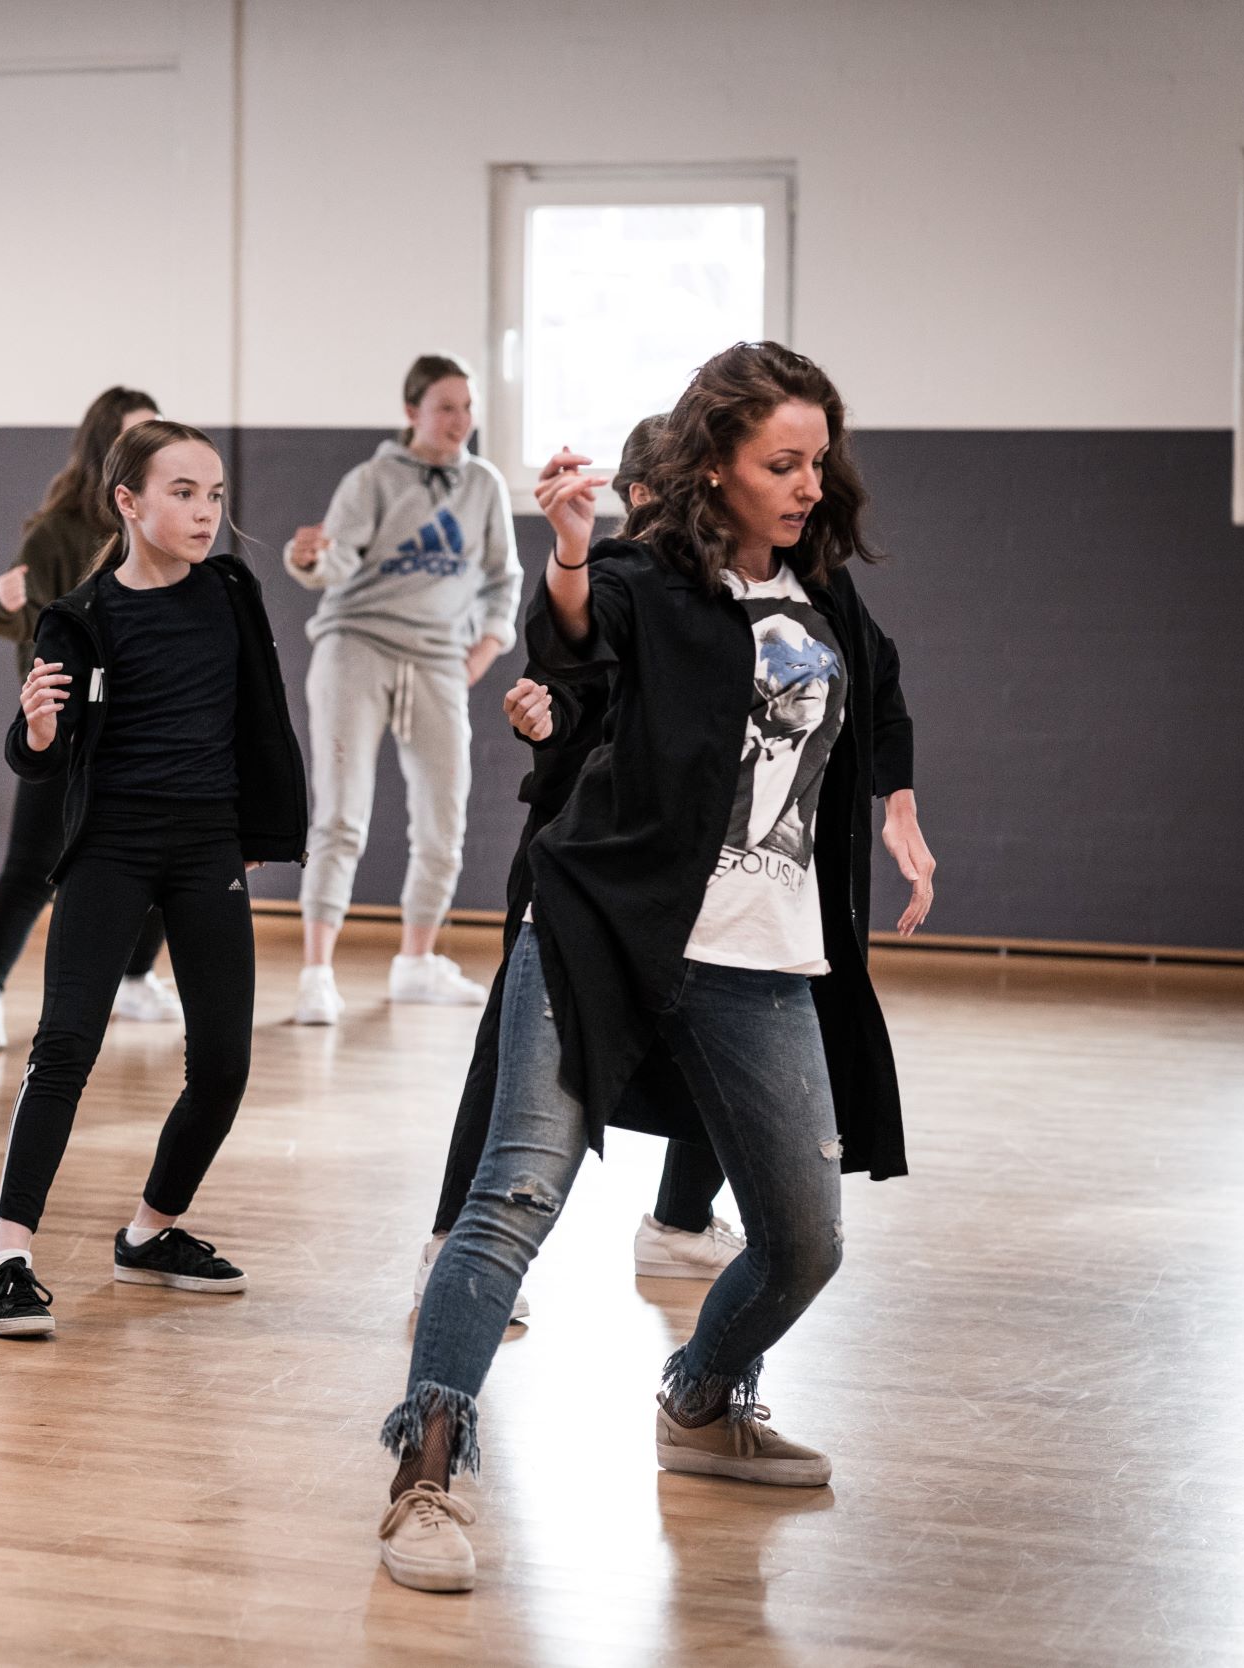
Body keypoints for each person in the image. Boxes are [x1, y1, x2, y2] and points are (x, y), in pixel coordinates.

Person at [373, 343, 938, 1594]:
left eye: (814, 463)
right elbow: (576, 648)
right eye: (777, 464)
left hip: (764, 959)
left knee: (802, 1240)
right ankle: (425, 1468)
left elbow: (881, 691)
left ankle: (700, 1399)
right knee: (510, 1198)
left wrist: (896, 805)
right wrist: (570, 549)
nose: (802, 485)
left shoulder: (823, 598)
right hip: (605, 932)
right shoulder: (642, 574)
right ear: (716, 467)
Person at [0, 419, 306, 1339]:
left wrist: (259, 831)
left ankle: (152, 1232)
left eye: (214, 496)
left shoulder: (233, 591)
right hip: (113, 850)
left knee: (226, 1066)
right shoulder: (79, 617)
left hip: (208, 851)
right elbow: (38, 755)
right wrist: (37, 732)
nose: (205, 513)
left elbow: (259, 714)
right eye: (181, 493)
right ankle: (9, 1256)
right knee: (65, 1050)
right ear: (128, 502)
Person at [415, 416, 745, 1316]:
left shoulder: (728, 595)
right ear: (645, 495)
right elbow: (567, 682)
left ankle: (680, 1222)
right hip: (575, 871)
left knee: (734, 1030)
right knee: (514, 1059)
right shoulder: (613, 581)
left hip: (689, 874)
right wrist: (545, 718)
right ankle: (454, 1248)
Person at [285, 355, 522, 1025]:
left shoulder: (485, 485)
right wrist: (307, 558)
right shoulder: (372, 480)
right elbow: (335, 557)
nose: (460, 421)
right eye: (446, 407)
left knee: (445, 820)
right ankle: (316, 973)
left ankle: (417, 962)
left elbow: (503, 579)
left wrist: (482, 651)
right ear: (413, 412)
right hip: (355, 648)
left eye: (468, 407)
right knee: (341, 816)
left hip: (440, 660)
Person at [0, 385, 176, 1052]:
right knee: (32, 864)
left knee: (164, 858)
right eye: (132, 438)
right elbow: (19, 619)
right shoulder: (56, 531)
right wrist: (1, 604)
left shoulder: (162, 519)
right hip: (65, 722)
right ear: (102, 447)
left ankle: (136, 977)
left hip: (141, 724)